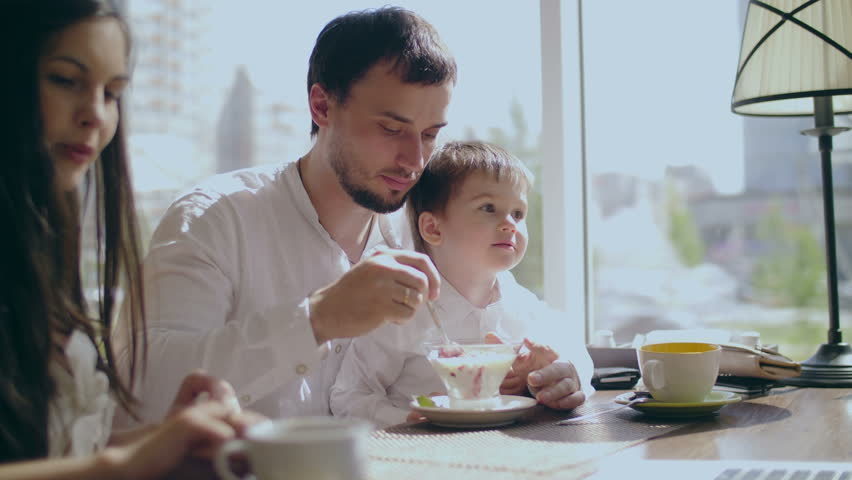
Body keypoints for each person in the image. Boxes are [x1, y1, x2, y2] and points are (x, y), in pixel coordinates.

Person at [112, 6, 455, 425]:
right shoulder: (214, 220)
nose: (414, 160)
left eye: (430, 135)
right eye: (390, 129)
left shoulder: (426, 233)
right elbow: (142, 391)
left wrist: (522, 373)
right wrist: (315, 320)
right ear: (322, 106)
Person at [0, 1, 259, 477]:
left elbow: (47, 454)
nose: (96, 114)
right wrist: (120, 465)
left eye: (113, 92)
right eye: (65, 80)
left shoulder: (42, 251)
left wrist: (169, 437)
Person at [330, 141, 594, 427]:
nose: (510, 224)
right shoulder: (400, 313)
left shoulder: (522, 306)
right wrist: (407, 420)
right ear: (433, 228)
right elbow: (348, 398)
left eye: (518, 213)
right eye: (488, 208)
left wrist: (558, 376)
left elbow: (577, 358)